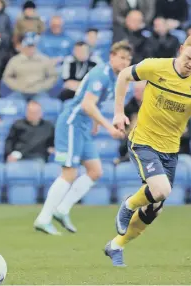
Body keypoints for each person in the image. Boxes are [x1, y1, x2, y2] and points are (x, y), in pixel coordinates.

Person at [104, 34, 191, 266]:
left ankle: (116, 245)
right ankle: (128, 205)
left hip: (170, 149)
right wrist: (118, 112)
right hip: (143, 140)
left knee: (155, 208)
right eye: (189, 58)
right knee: (161, 189)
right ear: (181, 49)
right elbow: (124, 75)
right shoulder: (156, 66)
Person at [33, 41, 132, 235]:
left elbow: (96, 103)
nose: (125, 62)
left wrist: (94, 123)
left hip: (84, 126)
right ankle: (43, 218)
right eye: (121, 57)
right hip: (72, 123)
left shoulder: (115, 77)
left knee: (95, 171)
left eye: (128, 59)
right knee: (69, 173)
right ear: (111, 56)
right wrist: (107, 127)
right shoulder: (101, 75)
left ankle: (62, 210)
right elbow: (87, 105)